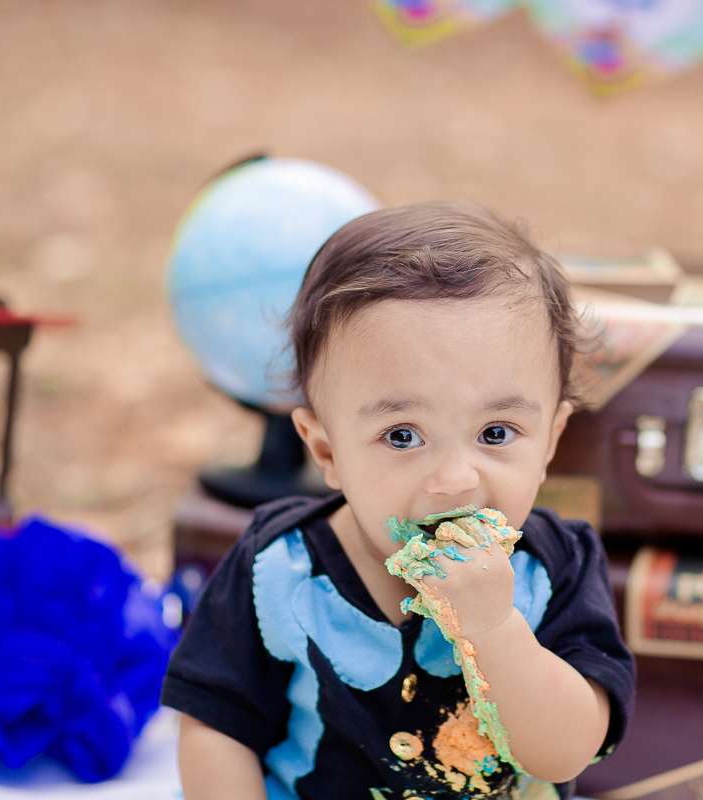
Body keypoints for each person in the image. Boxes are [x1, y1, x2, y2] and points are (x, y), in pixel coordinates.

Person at [161, 200, 635, 800]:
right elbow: (216, 726)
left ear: (551, 440)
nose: (455, 480)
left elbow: (567, 751)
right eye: (402, 436)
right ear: (327, 451)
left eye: (495, 433)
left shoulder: (556, 568)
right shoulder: (278, 567)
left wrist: (493, 627)